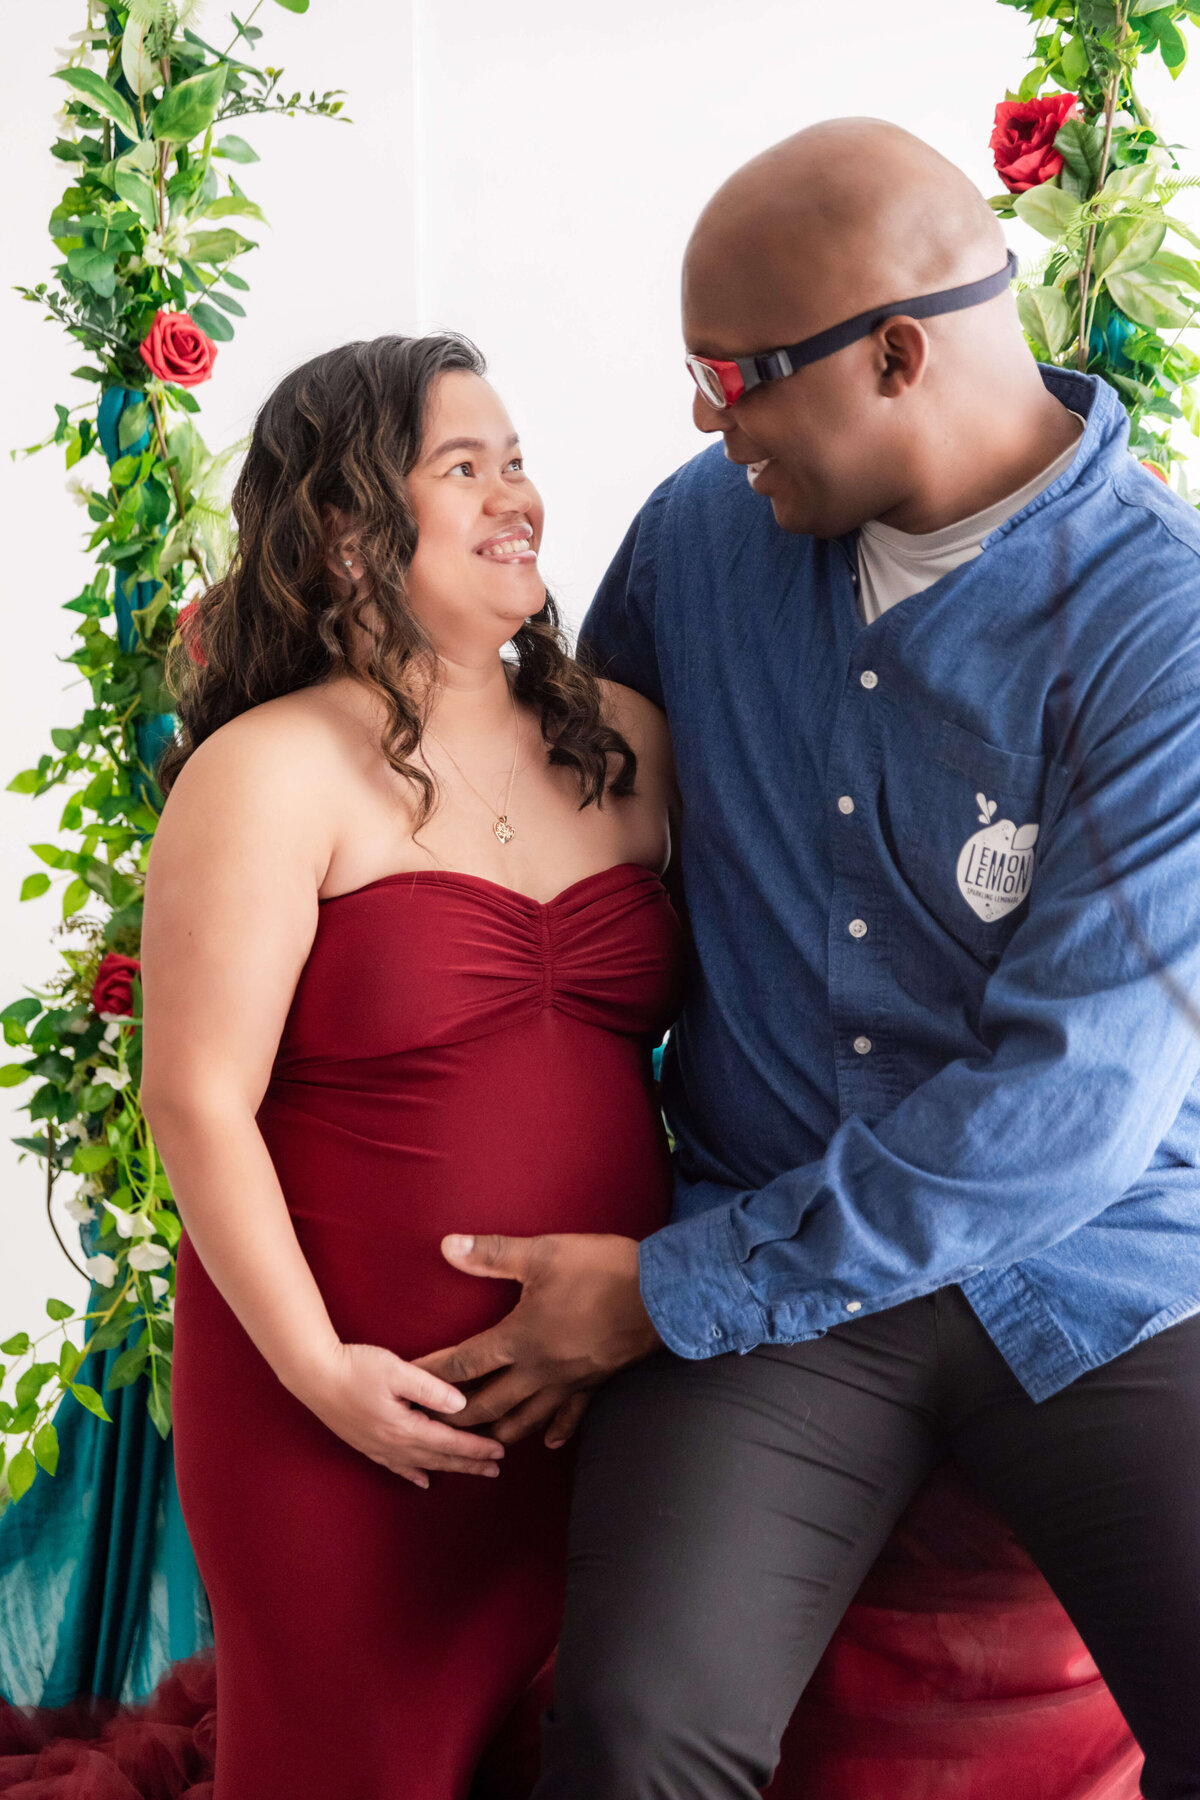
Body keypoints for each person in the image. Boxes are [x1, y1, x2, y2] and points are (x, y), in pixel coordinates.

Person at [413, 119, 1200, 1798]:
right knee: (631, 1739)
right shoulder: (706, 534)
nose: (707, 418)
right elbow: (562, 784)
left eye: (735, 374)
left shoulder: (1170, 632)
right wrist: (300, 717)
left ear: (898, 350)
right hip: (776, 1277)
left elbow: (1075, 1109)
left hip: (1109, 1271)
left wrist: (668, 1292)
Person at [137, 333, 681, 1799]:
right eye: (464, 467)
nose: (517, 498)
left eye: (518, 462)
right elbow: (193, 1098)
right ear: (339, 522)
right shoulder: (269, 769)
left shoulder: (621, 741)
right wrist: (324, 1375)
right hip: (350, 1411)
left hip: (613, 1389)